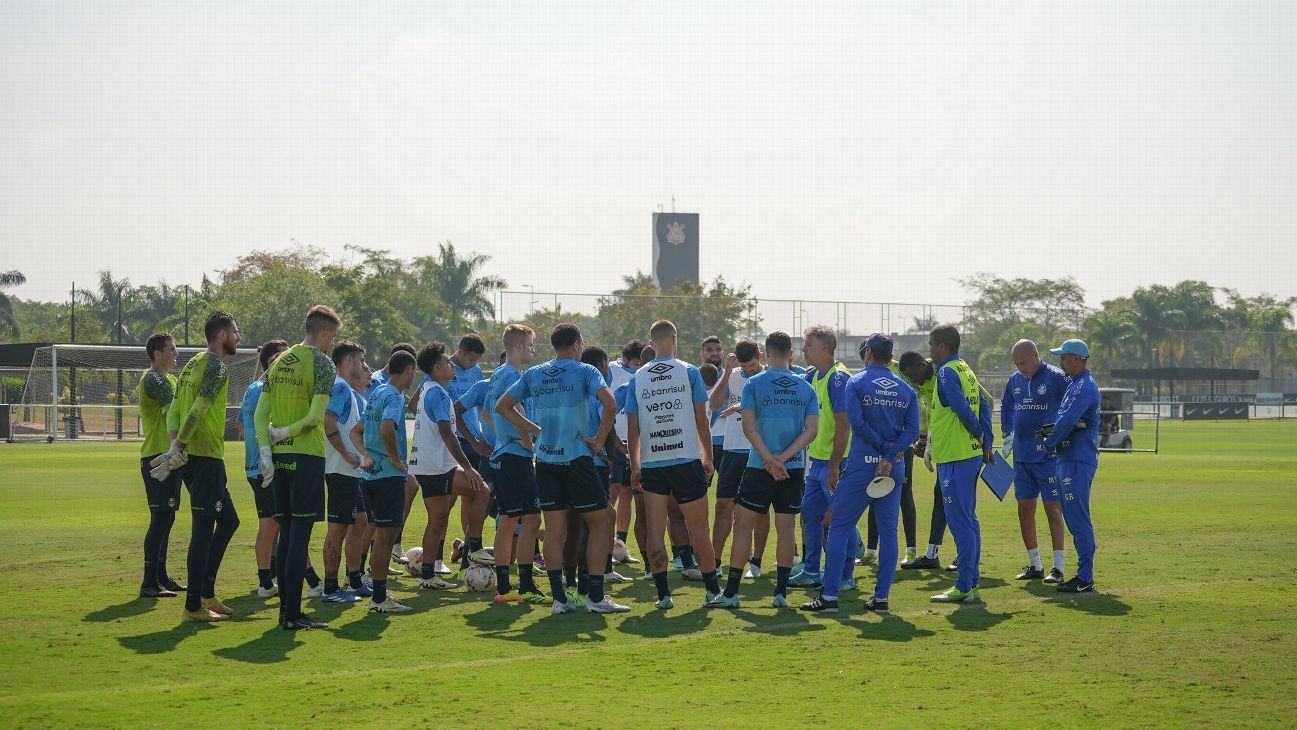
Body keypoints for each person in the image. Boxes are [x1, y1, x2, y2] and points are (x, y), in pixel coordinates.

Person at [496, 323, 626, 614]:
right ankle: (595, 597)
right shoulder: (586, 371)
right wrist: (598, 440)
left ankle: (559, 600)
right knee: (601, 521)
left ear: (554, 345)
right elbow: (611, 405)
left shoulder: (534, 373)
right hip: (577, 459)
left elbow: (502, 407)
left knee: (555, 530)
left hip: (544, 461)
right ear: (578, 343)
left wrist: (534, 429)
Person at [802, 334, 918, 613]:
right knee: (889, 532)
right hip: (892, 468)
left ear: (867, 354)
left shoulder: (856, 382)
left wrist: (880, 452)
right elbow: (912, 432)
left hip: (861, 466)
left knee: (840, 527)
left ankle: (829, 596)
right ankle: (881, 598)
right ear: (890, 358)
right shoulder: (906, 390)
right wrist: (890, 456)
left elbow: (856, 423)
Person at [707, 332, 818, 609]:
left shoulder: (754, 384)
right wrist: (783, 459)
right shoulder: (806, 387)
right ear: (791, 355)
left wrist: (770, 459)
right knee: (787, 527)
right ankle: (780, 594)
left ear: (766, 354)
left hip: (759, 466)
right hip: (791, 469)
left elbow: (748, 427)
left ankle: (731, 593)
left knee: (742, 526)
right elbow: (811, 431)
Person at [624, 319, 721, 609]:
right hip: (686, 460)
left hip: (653, 464)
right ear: (675, 339)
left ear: (651, 344)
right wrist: (709, 456)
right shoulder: (689, 372)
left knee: (655, 531)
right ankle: (712, 591)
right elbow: (701, 419)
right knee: (699, 529)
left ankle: (664, 596)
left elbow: (632, 428)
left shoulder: (637, 378)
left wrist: (635, 465)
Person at [255, 305, 341, 630]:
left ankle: (285, 613)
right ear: (323, 332)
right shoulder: (322, 363)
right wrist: (284, 432)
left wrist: (267, 447)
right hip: (306, 457)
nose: (332, 342)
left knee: (287, 534)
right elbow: (313, 420)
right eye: (332, 335)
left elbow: (260, 414)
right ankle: (292, 615)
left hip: (279, 459)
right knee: (298, 539)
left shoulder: (277, 362)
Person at [163, 311, 242, 623]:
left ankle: (206, 593)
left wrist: (175, 444)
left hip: (192, 458)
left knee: (230, 520)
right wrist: (178, 446)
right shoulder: (215, 367)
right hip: (205, 458)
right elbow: (196, 411)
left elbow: (174, 410)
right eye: (235, 332)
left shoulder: (190, 365)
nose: (238, 337)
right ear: (222, 335)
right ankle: (193, 605)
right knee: (202, 530)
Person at [409, 342, 489, 591]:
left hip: (426, 465)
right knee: (482, 491)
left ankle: (428, 576)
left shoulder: (429, 389)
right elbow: (448, 434)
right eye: (446, 362)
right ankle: (474, 548)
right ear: (435, 367)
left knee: (438, 519)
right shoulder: (440, 394)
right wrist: (467, 467)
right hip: (437, 466)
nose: (450, 364)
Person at [926, 325, 994, 604]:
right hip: (967, 454)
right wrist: (986, 440)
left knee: (961, 522)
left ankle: (965, 584)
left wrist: (978, 431)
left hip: (955, 456)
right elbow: (986, 405)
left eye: (931, 345)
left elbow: (961, 408)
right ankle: (972, 582)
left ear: (942, 346)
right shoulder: (966, 369)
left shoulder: (945, 372)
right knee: (969, 519)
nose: (928, 351)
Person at [790, 325, 856, 590]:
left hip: (835, 463)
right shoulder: (812, 375)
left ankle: (845, 575)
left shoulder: (839, 378)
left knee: (841, 518)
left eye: (808, 345)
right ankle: (812, 570)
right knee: (809, 513)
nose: (804, 349)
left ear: (825, 348)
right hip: (816, 461)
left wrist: (835, 465)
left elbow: (844, 425)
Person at [485, 324, 545, 604]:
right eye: (531, 344)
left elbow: (487, 412)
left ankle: (505, 587)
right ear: (519, 346)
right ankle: (525, 585)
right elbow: (511, 408)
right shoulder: (512, 374)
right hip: (515, 458)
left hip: (501, 455)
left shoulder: (497, 374)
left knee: (508, 521)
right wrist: (528, 435)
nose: (533, 349)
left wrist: (502, 437)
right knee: (531, 519)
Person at [1001, 339, 1068, 583]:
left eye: (1023, 362)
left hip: (1049, 457)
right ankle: (1035, 564)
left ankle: (1058, 568)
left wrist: (1061, 437)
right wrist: (1007, 433)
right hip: (1022, 457)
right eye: (1016, 364)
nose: (1020, 368)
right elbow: (1007, 407)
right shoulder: (1014, 380)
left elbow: (1071, 407)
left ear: (1036, 356)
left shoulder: (1057, 377)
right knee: (1025, 508)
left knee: (1053, 508)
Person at [359, 349, 419, 614]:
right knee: (385, 539)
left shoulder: (377, 393)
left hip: (370, 475)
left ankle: (379, 595)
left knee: (378, 536)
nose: (412, 378)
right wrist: (395, 459)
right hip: (387, 477)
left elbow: (355, 431)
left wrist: (364, 456)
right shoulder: (394, 396)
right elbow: (386, 429)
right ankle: (380, 599)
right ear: (408, 370)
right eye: (413, 373)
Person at [1044, 339, 1102, 593]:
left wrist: (1050, 442)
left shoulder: (1083, 386)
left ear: (1078, 359)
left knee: (1078, 519)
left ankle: (1085, 577)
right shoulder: (1075, 384)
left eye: (1064, 358)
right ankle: (1082, 575)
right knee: (1072, 517)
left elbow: (1068, 419)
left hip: (1077, 458)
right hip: (1068, 457)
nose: (1061, 362)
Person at [238, 339, 290, 599]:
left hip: (252, 467)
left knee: (269, 524)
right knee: (287, 523)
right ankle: (311, 580)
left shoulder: (251, 388)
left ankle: (267, 581)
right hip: (266, 467)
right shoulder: (265, 390)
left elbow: (239, 425)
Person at [708, 339, 764, 579]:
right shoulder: (731, 376)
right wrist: (728, 372)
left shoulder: (768, 377)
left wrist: (741, 405)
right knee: (723, 508)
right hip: (732, 452)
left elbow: (766, 408)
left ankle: (756, 563)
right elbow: (714, 404)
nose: (749, 369)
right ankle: (715, 563)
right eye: (745, 366)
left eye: (752, 365)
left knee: (759, 511)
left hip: (757, 451)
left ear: (760, 356)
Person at [320, 339, 370, 602]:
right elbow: (328, 421)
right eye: (361, 360)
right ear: (348, 360)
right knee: (337, 530)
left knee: (359, 522)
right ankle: (330, 588)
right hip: (340, 470)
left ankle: (353, 579)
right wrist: (345, 453)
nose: (364, 366)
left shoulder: (347, 390)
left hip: (351, 471)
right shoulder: (339, 388)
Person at [137, 332, 185, 598]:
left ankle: (161, 576)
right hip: (156, 458)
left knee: (168, 518)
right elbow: (176, 405)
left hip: (170, 458)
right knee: (159, 520)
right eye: (171, 349)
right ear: (158, 353)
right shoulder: (153, 379)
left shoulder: (171, 379)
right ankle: (148, 582)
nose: (176, 354)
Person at [607, 339, 645, 564]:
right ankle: (607, 545)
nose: (638, 367)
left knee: (628, 496)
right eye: (635, 362)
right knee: (611, 494)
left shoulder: (646, 376)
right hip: (614, 442)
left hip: (636, 445)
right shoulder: (612, 370)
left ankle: (620, 547)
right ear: (626, 359)